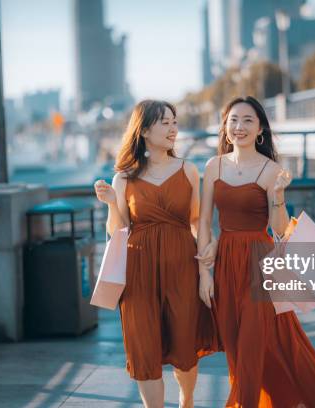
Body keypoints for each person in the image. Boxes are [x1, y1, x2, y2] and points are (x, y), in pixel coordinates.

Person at [196, 96, 315, 407]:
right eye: (233, 120)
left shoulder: (271, 169)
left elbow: (278, 228)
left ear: (261, 128)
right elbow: (205, 222)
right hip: (225, 263)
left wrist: (277, 194)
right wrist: (203, 273)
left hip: (261, 264)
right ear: (224, 127)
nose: (240, 127)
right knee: (238, 347)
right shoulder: (213, 167)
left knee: (254, 342)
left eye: (248, 120)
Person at [94, 100, 218, 408]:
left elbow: (196, 221)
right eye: (165, 122)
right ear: (145, 129)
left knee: (185, 349)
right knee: (144, 350)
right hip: (138, 272)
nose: (173, 128)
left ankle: (186, 401)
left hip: (182, 267)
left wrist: (206, 272)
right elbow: (118, 230)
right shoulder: (123, 177)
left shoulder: (188, 170)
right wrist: (111, 203)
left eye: (175, 121)